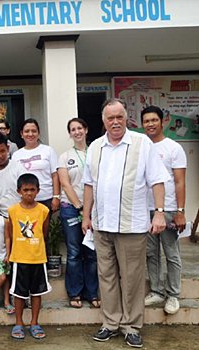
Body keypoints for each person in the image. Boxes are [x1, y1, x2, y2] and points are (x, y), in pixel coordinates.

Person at [82, 98, 169, 348]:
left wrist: (160, 213)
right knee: (106, 276)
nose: (116, 122)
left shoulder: (142, 144)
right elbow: (89, 185)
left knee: (131, 278)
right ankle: (110, 323)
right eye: (111, 118)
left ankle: (131, 326)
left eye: (120, 116)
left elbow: (157, 181)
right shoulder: (96, 147)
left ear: (126, 117)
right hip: (102, 224)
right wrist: (86, 216)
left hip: (132, 225)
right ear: (103, 121)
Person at [141, 106, 187, 315]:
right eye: (146, 121)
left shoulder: (173, 148)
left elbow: (179, 182)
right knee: (151, 253)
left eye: (154, 120)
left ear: (163, 121)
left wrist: (180, 211)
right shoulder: (141, 147)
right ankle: (157, 291)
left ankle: (173, 294)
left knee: (171, 253)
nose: (150, 124)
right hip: (145, 209)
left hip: (168, 209)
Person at [58, 118, 99, 308]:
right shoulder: (65, 156)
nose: (77, 132)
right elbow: (65, 184)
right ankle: (74, 293)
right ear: (70, 133)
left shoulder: (97, 152)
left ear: (86, 129)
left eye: (79, 128)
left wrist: (89, 210)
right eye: (73, 129)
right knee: (74, 252)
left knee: (91, 253)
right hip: (71, 209)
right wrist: (81, 208)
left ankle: (92, 293)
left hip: (95, 210)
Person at [8, 173, 51, 340]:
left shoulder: (44, 210)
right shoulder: (13, 210)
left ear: (38, 191)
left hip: (38, 258)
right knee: (19, 293)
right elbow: (11, 234)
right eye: (25, 190)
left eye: (32, 190)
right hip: (19, 258)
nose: (29, 193)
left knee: (37, 292)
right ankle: (19, 323)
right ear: (19, 191)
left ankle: (34, 323)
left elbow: (44, 233)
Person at [12, 119, 60, 214]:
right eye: (26, 131)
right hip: (25, 200)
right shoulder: (16, 155)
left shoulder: (48, 150)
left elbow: (55, 175)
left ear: (38, 133)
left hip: (46, 198)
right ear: (21, 134)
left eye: (34, 131)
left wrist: (56, 197)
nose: (30, 134)